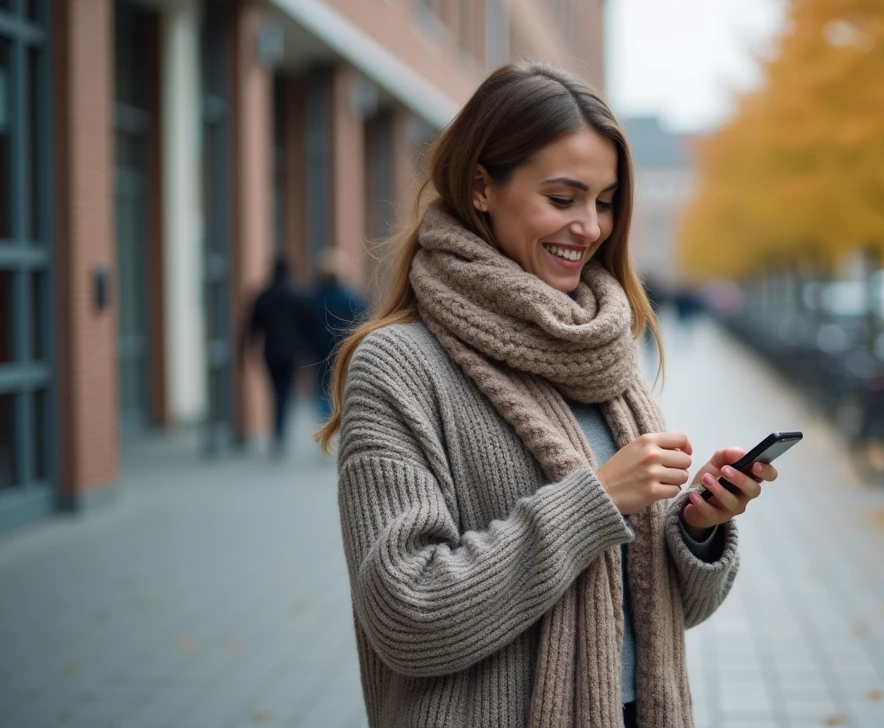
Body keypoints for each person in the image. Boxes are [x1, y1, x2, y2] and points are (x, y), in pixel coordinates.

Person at [315, 62, 779, 728]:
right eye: (563, 199)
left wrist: (696, 529)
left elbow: (654, 613)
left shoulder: (601, 350)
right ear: (482, 188)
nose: (590, 227)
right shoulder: (399, 366)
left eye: (606, 200)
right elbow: (406, 613)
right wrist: (596, 500)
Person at [241, 256, 314, 456]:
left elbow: (251, 328)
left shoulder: (263, 296)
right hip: (291, 353)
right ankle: (280, 433)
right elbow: (307, 326)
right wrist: (307, 351)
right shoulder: (298, 295)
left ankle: (278, 433)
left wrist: (245, 352)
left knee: (276, 391)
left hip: (270, 352)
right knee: (286, 392)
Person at [310, 248, 368, 421]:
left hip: (319, 351)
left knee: (322, 389)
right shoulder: (353, 297)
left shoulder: (313, 298)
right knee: (344, 386)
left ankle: (326, 426)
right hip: (346, 349)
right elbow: (364, 323)